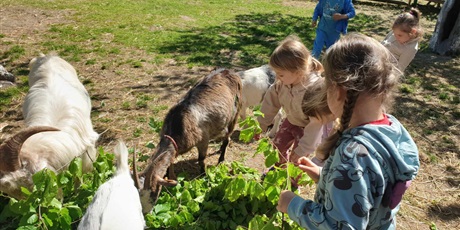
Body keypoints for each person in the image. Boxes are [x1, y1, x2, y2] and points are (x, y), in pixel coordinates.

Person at [277, 33, 420, 229]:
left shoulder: (351, 157)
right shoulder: (392, 131)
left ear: (338, 90)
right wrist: (324, 175)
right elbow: (368, 189)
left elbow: (338, 225)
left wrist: (293, 205)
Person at [257, 35, 326, 166]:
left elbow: (316, 124)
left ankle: (293, 182)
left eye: (281, 74)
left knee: (298, 159)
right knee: (277, 147)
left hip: (307, 129)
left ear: (298, 72)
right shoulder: (281, 84)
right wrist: (262, 124)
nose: (277, 77)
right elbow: (270, 104)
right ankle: (279, 171)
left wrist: (303, 149)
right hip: (291, 121)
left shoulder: (313, 90)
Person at [382, 8, 423, 73]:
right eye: (394, 33)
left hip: (386, 72)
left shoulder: (411, 48)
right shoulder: (396, 32)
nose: (395, 36)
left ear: (413, 32)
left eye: (399, 35)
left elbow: (399, 69)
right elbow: (382, 44)